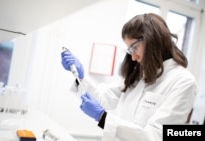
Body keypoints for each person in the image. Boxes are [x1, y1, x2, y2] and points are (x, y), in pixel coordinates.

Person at [61, 13, 197, 141]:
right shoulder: (140, 76)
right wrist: (81, 77)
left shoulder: (183, 82)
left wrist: (103, 118)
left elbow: (157, 136)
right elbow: (103, 97)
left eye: (135, 48)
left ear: (153, 41)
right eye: (130, 50)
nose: (133, 57)